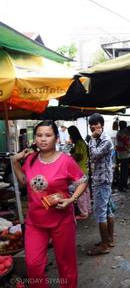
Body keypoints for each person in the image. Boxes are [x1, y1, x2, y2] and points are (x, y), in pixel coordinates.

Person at [11, 120, 88, 288]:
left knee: (66, 265)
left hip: (62, 221)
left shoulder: (66, 161)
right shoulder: (30, 159)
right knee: (33, 265)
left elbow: (83, 181)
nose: (43, 139)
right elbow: (24, 181)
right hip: (35, 222)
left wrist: (71, 199)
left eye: (48, 135)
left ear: (56, 138)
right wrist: (15, 162)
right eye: (39, 135)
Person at [86, 113, 116, 255]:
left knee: (101, 213)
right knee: (107, 210)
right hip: (102, 179)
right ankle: (109, 239)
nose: (93, 127)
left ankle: (104, 245)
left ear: (102, 125)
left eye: (96, 124)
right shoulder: (99, 138)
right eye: (91, 125)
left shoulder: (105, 140)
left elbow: (94, 155)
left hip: (102, 180)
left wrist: (91, 140)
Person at [68, 126, 91, 220]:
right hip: (84, 169)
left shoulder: (78, 143)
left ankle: (83, 213)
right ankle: (88, 210)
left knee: (80, 192)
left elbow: (79, 156)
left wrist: (70, 156)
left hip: (79, 171)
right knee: (86, 192)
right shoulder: (82, 142)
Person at [116, 121, 130, 192]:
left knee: (125, 171)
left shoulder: (120, 132)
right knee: (123, 172)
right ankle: (121, 187)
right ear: (125, 126)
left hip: (123, 154)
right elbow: (125, 144)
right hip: (123, 155)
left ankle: (125, 185)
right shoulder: (121, 133)